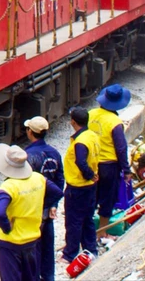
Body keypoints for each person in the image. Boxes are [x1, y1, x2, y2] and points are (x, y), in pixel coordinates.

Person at [0, 143, 64, 281]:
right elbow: (58, 192)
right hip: (32, 240)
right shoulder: (38, 178)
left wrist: (7, 228)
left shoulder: (8, 186)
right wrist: (42, 205)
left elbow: (0, 212)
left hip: (10, 244)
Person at [88, 84, 132, 234]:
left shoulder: (91, 114)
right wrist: (126, 169)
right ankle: (102, 232)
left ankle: (86, 231)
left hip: (91, 163)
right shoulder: (115, 122)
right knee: (107, 199)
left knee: (91, 197)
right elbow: (121, 148)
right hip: (108, 166)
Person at [24, 116, 64, 281]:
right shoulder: (54, 153)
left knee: (33, 249)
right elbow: (60, 180)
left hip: (33, 211)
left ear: (30, 132)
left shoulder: (28, 156)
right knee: (48, 248)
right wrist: (54, 204)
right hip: (48, 209)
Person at [61, 108, 99, 266]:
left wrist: (89, 174)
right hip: (89, 187)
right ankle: (91, 249)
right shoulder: (91, 136)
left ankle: (70, 254)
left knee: (74, 221)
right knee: (87, 218)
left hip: (77, 186)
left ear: (73, 122)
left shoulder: (80, 142)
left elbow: (81, 162)